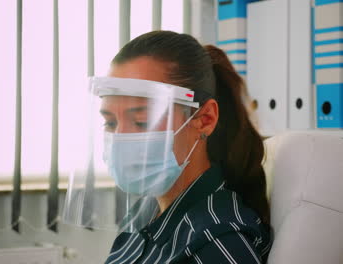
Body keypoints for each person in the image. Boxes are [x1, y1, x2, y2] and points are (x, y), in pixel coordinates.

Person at [64, 30, 272, 263]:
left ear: (204, 120)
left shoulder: (217, 241)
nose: (119, 138)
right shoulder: (148, 212)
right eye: (110, 122)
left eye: (142, 122)